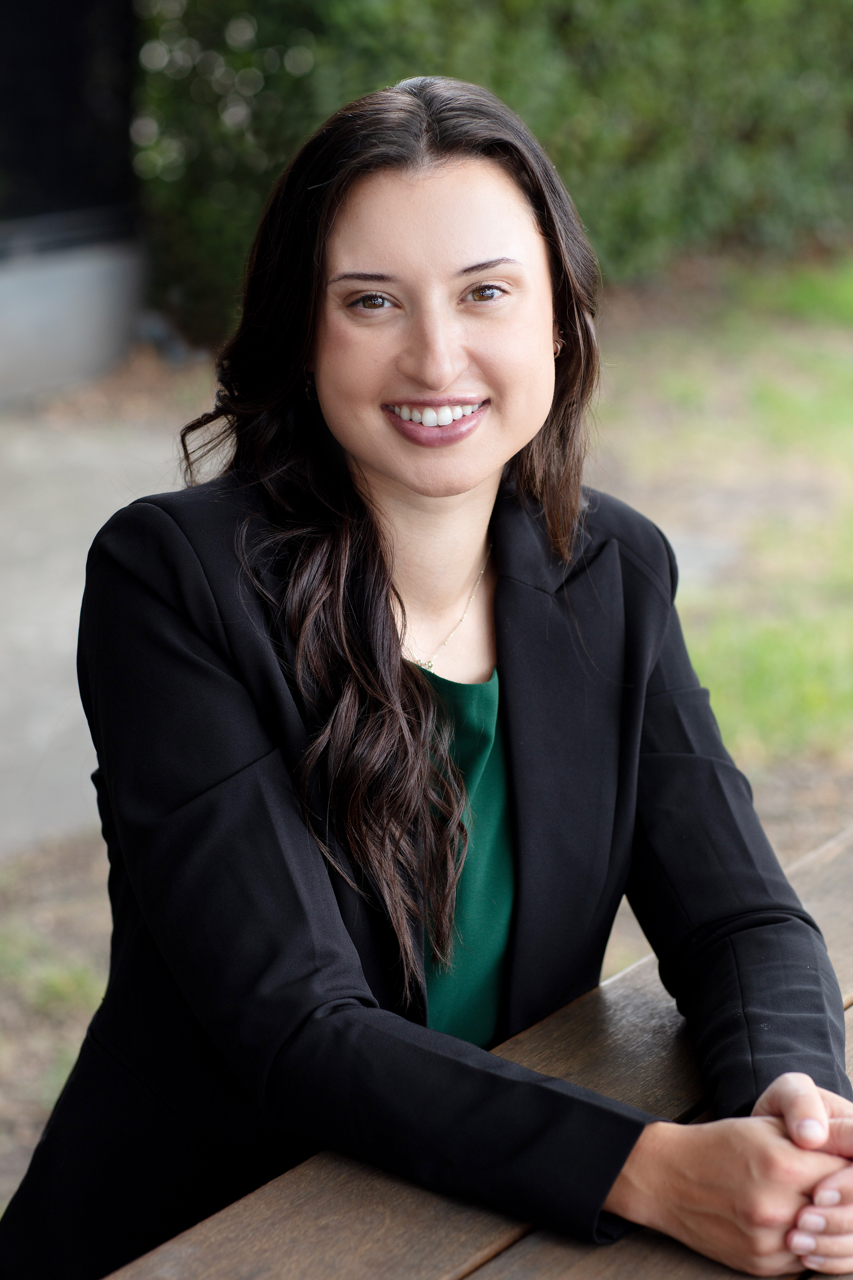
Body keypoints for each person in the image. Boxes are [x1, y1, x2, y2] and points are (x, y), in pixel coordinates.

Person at [1, 77, 851, 1280]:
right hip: (216, 1233)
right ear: (304, 328)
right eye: (371, 301)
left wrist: (801, 1116)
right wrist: (653, 1168)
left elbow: (738, 914)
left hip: (477, 1215)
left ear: (558, 318)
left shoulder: (607, 571)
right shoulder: (170, 580)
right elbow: (296, 1023)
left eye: (487, 292)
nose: (436, 354)